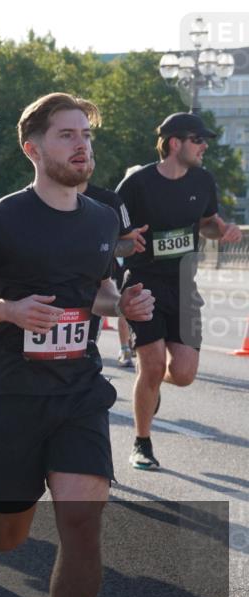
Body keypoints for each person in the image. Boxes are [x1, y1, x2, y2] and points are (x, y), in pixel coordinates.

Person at [0, 93, 155, 597]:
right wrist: (8, 310)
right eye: (67, 135)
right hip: (9, 393)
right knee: (7, 534)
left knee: (82, 522)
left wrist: (123, 304)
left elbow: (97, 291)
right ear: (33, 149)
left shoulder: (101, 219)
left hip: (79, 390)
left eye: (86, 135)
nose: (82, 146)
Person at [116, 112, 243, 471]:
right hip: (143, 283)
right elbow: (112, 237)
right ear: (175, 143)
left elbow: (207, 225)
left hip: (184, 285)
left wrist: (224, 230)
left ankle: (150, 384)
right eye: (198, 140)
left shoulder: (203, 180)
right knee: (153, 363)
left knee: (184, 374)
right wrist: (127, 243)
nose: (204, 147)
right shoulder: (136, 185)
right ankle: (142, 442)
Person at [79, 161, 147, 367]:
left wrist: (108, 247)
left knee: (82, 360)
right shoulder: (27, 204)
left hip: (99, 284)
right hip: (43, 298)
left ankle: (125, 348)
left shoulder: (109, 201)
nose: (83, 159)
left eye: (89, 156)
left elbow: (128, 243)